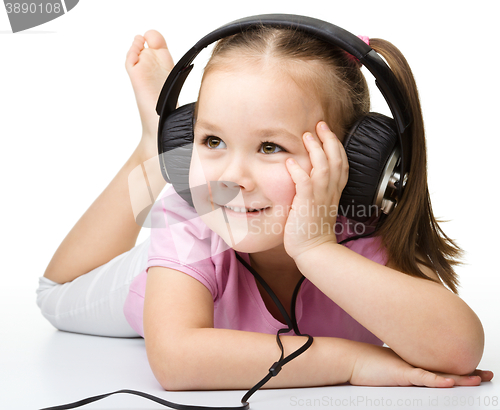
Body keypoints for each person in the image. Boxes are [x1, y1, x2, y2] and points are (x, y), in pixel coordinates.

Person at [37, 23, 493, 391]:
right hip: (170, 266)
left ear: (355, 164)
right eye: (212, 140)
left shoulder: (362, 230)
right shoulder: (193, 215)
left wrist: (316, 247)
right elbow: (176, 361)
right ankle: (152, 147)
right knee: (53, 296)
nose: (232, 176)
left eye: (271, 146)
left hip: (287, 232)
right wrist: (352, 361)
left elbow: (458, 349)